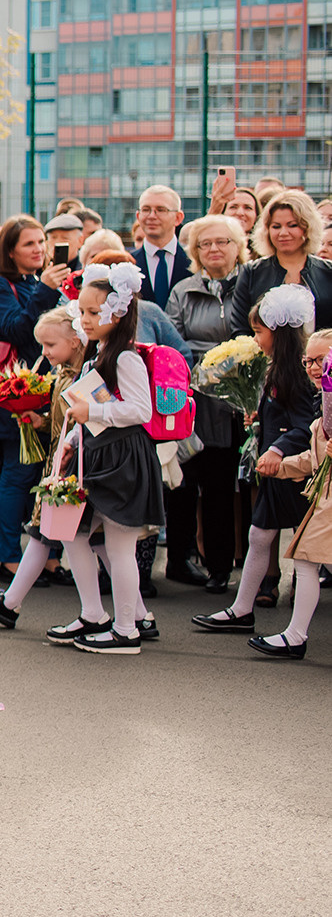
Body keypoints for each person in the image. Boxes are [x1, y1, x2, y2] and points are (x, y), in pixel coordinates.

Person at [48, 264, 167, 654]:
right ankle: (94, 614)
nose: (84, 319)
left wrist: (92, 416)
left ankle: (126, 629)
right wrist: (73, 438)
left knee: (118, 548)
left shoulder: (126, 358)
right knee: (75, 535)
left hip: (123, 458)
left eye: (93, 312)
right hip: (97, 455)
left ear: (118, 312)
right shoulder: (99, 355)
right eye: (81, 311)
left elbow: (141, 411)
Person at [194, 286, 319, 640]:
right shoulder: (279, 367)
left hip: (291, 471)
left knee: (301, 548)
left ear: (278, 333)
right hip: (277, 471)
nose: (255, 338)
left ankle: (272, 621)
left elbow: (302, 426)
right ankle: (242, 608)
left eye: (259, 331)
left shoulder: (293, 371)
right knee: (259, 535)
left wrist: (277, 447)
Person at [0, 306, 90, 629]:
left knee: (82, 540)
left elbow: (84, 423)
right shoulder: (64, 373)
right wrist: (41, 421)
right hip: (62, 461)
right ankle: (10, 602)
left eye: (50, 346)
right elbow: (63, 422)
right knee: (45, 533)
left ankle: (123, 614)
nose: (44, 352)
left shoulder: (86, 374)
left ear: (75, 341)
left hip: (74, 464)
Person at [0, 215, 71, 578]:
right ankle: (9, 558)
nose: (39, 249)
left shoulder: (38, 282)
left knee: (51, 476)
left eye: (41, 242)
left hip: (53, 394)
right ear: (10, 251)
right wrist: (46, 291)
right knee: (17, 476)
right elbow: (20, 330)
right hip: (20, 395)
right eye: (29, 244)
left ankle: (49, 557)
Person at [165, 214, 251, 592]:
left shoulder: (248, 286)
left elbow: (253, 338)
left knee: (220, 489)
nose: (214, 249)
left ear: (238, 247)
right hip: (189, 404)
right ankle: (179, 560)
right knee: (181, 486)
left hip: (231, 406)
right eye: (205, 244)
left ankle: (220, 568)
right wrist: (213, 359)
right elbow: (172, 344)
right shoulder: (183, 290)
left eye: (223, 242)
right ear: (195, 252)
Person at [256, 329, 332, 657]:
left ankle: (295, 636)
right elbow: (312, 458)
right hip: (325, 499)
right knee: (305, 560)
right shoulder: (322, 410)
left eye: (321, 360)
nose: (314, 368)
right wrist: (279, 466)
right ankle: (295, 635)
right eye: (308, 361)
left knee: (305, 559)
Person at [227, 189, 332, 337]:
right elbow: (240, 330)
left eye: (292, 225)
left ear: (307, 227)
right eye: (276, 226)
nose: (283, 233)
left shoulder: (328, 272)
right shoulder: (251, 272)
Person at [131, 185, 189, 306]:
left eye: (161, 210)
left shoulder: (195, 262)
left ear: (178, 218)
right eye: (146, 210)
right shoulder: (129, 264)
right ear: (138, 216)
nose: (152, 216)